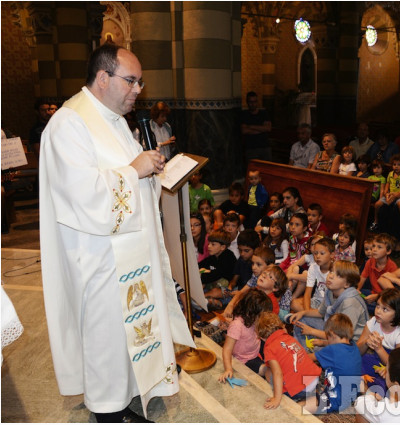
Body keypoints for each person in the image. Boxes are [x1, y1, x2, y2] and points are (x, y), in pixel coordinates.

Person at [39, 43, 193, 422]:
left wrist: (151, 170)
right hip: (97, 258)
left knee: (130, 335)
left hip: (128, 253)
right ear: (103, 77)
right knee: (106, 338)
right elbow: (82, 196)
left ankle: (125, 399)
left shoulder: (115, 119)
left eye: (140, 82)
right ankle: (106, 411)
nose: (138, 90)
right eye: (132, 81)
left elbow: (131, 176)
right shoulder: (69, 123)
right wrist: (135, 171)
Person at [291, 260, 369, 350]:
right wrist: (303, 313)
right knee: (300, 320)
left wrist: (312, 331)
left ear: (347, 284)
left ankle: (309, 355)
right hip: (334, 329)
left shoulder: (350, 303)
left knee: (318, 349)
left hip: (348, 344)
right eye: (331, 271)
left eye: (338, 275)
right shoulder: (330, 291)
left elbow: (342, 336)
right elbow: (321, 313)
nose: (331, 276)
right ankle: (303, 350)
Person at [256, 312, 322, 409]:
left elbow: (277, 373)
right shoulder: (288, 337)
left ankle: (303, 401)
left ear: (262, 338)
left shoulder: (269, 348)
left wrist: (277, 398)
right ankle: (313, 397)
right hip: (314, 378)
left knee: (268, 371)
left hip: (302, 388)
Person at [303, 313, 362, 414]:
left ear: (332, 334)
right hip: (352, 391)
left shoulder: (333, 350)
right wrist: (323, 343)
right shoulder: (353, 345)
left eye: (328, 337)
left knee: (302, 407)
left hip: (337, 399)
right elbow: (338, 345)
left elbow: (308, 358)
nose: (327, 341)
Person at [357, 288, 400, 392]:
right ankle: (363, 386)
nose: (378, 311)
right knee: (352, 362)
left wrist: (379, 349)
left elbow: (397, 366)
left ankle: (367, 391)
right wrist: (366, 342)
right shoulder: (374, 321)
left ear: (398, 312)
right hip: (375, 359)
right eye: (377, 306)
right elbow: (357, 351)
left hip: (391, 366)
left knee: (390, 383)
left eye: (385, 309)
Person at [218, 288, 272, 381]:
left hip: (255, 351)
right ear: (251, 313)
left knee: (273, 351)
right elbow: (227, 349)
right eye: (261, 316)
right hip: (244, 359)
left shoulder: (254, 320)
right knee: (264, 370)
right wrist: (228, 369)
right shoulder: (237, 325)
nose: (263, 318)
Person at [370, 153, 400, 235]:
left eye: (399, 165)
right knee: (377, 204)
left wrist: (399, 193)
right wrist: (386, 193)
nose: (396, 166)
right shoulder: (390, 174)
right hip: (390, 195)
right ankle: (376, 221)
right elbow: (387, 185)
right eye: (394, 164)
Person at [357, 234, 398, 306]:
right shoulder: (369, 262)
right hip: (372, 293)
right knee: (352, 293)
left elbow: (392, 293)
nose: (374, 249)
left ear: (388, 251)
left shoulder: (392, 267)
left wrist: (377, 297)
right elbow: (362, 279)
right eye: (373, 246)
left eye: (379, 247)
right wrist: (357, 289)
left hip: (384, 298)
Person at [241, 91, 272, 161]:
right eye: (250, 102)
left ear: (257, 102)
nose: (253, 104)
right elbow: (243, 130)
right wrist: (261, 129)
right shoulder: (244, 114)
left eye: (255, 101)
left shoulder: (263, 113)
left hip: (265, 147)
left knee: (266, 169)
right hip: (251, 148)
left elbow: (268, 128)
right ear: (247, 102)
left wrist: (250, 126)